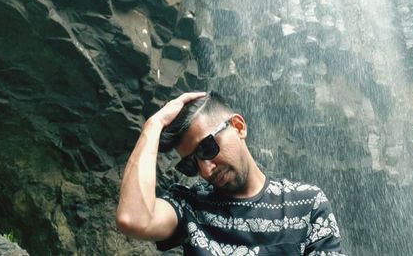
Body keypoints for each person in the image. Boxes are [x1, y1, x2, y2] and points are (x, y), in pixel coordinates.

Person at [117, 91, 345, 255]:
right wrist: (154, 124)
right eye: (192, 165)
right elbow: (134, 218)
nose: (206, 170)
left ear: (238, 126)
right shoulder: (190, 206)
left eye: (207, 148)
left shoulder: (308, 202)